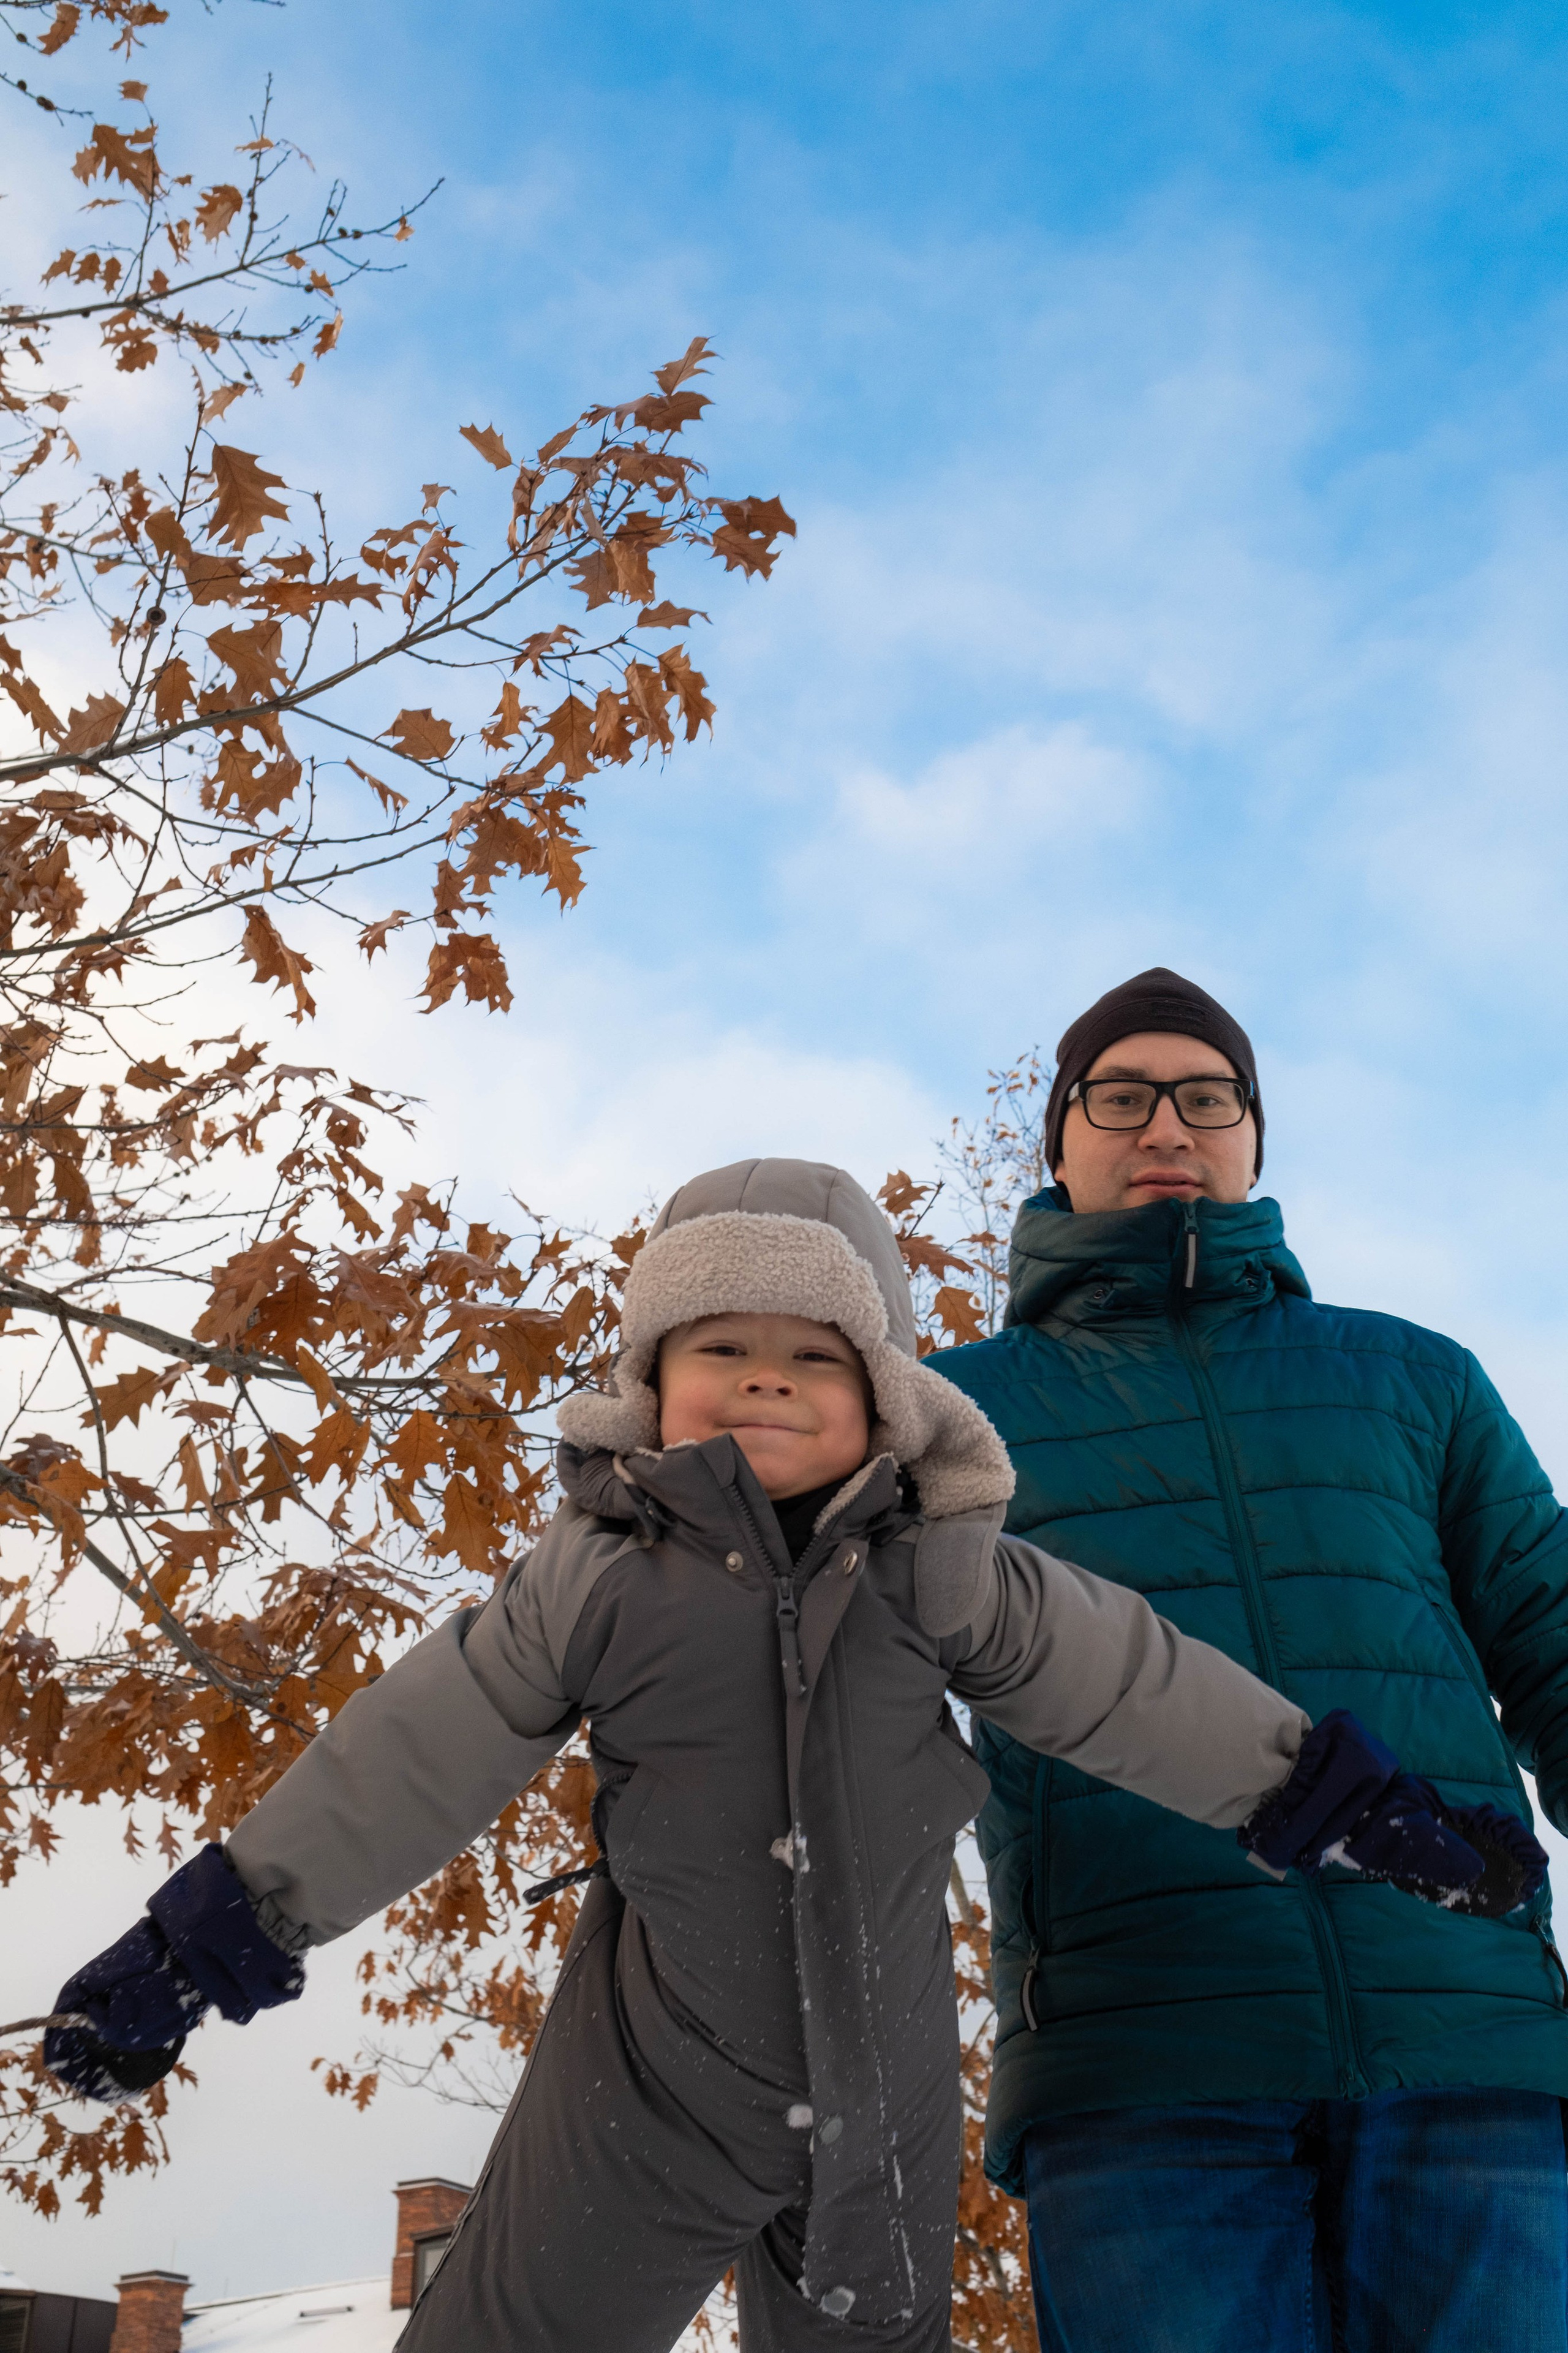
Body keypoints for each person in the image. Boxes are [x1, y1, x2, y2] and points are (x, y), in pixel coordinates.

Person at [43, 1160, 1534, 2353]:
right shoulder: (598, 1573)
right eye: (722, 1349)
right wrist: (207, 1935)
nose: (764, 1381)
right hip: (643, 2094)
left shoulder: (940, 1570)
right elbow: (418, 1748)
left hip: (876, 2120)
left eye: (809, 1358)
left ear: (881, 1391)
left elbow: (1135, 1687)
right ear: (652, 1376)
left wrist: (1346, 1803)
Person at [931, 968, 1568, 2353]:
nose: (1165, 1125)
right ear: (1059, 1142)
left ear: (1251, 1142)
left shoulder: (1415, 1378)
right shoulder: (951, 1415)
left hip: (1462, 2039)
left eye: (1205, 1098)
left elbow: (1554, 1639)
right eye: (1121, 1096)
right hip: (1141, 2059)